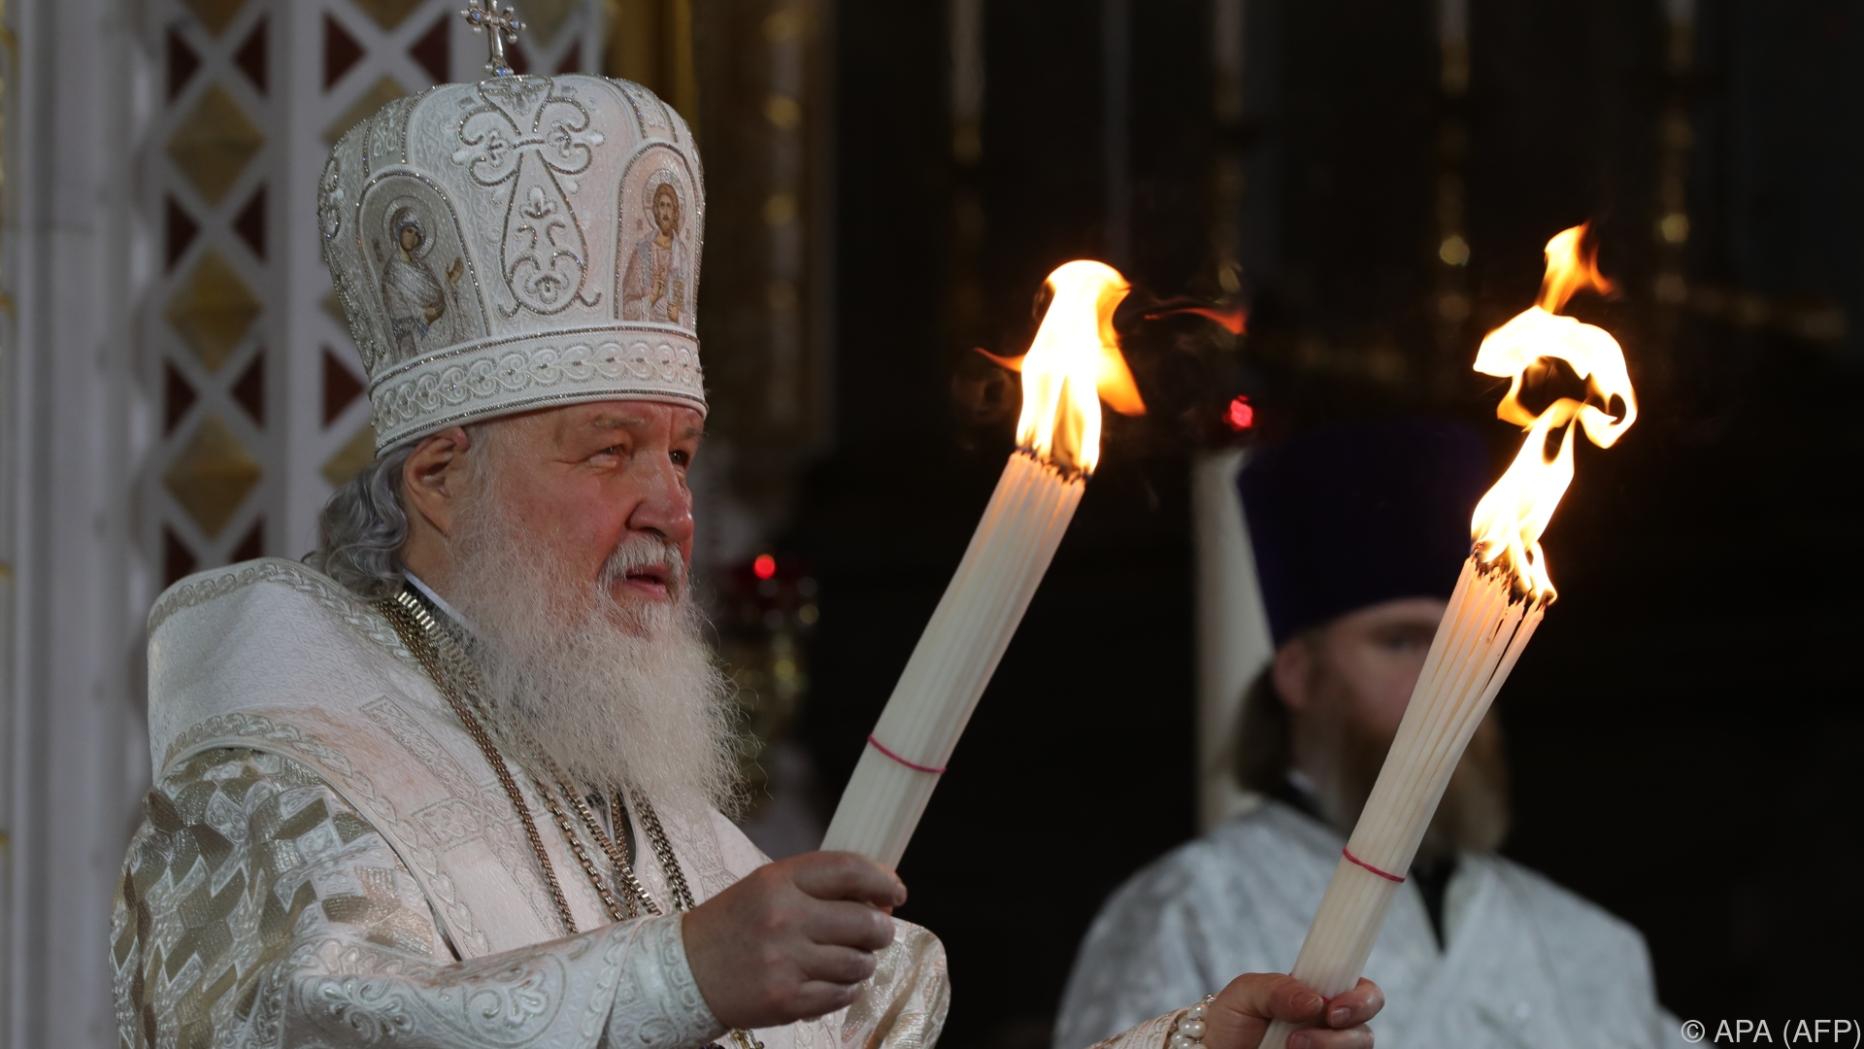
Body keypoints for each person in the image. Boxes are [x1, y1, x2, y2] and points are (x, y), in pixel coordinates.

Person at [110, 44, 1382, 1049]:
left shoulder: (677, 830)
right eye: (608, 451)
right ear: (442, 479)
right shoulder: (288, 769)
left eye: (679, 452)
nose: (669, 501)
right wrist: (677, 973)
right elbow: (291, 1026)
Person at [1054, 420, 1694, 1049]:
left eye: (1471, 646)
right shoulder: (1188, 907)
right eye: (1401, 641)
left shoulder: (1594, 945)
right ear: (1301, 675)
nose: (1452, 678)